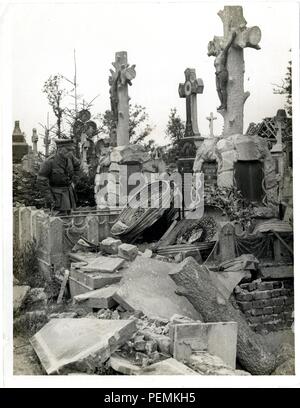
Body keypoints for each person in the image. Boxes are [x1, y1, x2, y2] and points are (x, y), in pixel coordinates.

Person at [37, 139, 80, 215]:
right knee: (58, 221)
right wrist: (50, 199)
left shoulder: (70, 158)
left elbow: (77, 165)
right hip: (57, 198)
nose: (70, 153)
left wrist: (74, 181)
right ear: (60, 149)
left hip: (69, 195)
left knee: (70, 219)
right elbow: (41, 181)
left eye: (71, 150)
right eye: (68, 150)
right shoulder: (49, 162)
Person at [208, 31, 237, 110]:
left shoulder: (223, 53)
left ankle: (224, 104)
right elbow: (210, 52)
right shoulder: (216, 57)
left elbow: (228, 45)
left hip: (222, 72)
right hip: (217, 74)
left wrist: (233, 37)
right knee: (218, 89)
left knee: (222, 88)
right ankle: (221, 104)